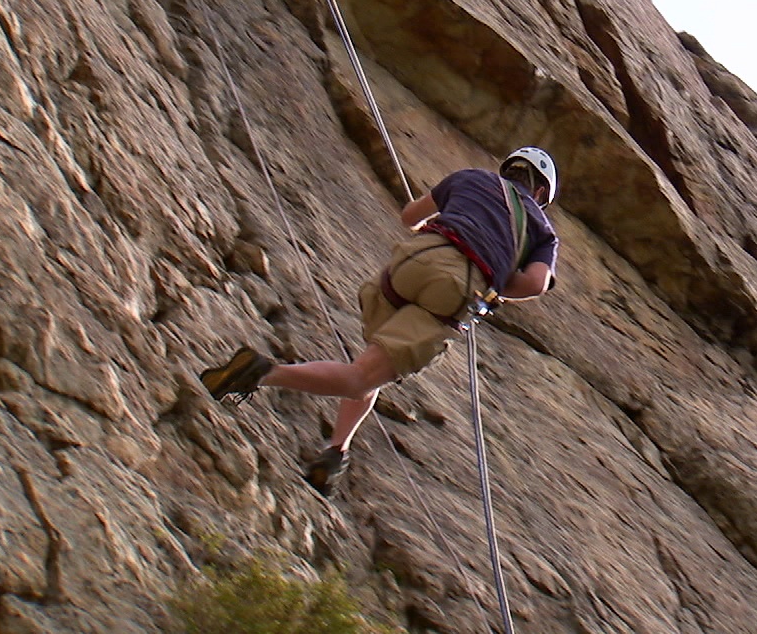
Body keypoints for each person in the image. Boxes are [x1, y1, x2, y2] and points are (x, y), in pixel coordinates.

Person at [199, 147, 560, 496]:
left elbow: (410, 217)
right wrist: (493, 277)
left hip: (409, 263)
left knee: (368, 368)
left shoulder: (472, 178)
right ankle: (261, 373)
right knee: (360, 378)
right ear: (540, 191)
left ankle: (336, 452)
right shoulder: (541, 229)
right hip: (455, 287)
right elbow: (534, 284)